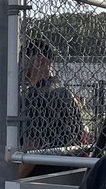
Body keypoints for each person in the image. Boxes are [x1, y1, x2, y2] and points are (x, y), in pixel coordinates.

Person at [19, 38, 84, 177]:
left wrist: (7, 182)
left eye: (23, 59)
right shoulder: (63, 91)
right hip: (66, 171)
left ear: (39, 61)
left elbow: (32, 148)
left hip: (39, 177)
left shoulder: (36, 96)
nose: (20, 65)